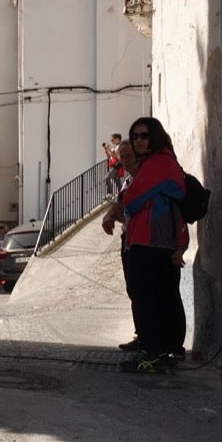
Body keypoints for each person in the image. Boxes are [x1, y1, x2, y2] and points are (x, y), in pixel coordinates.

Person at [115, 117, 188, 374]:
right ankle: (161, 349)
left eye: (144, 135)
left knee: (147, 296)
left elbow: (130, 200)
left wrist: (134, 198)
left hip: (152, 241)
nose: (139, 141)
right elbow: (130, 198)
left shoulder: (158, 163)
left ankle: (151, 354)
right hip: (150, 240)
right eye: (135, 136)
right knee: (156, 296)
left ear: (155, 136)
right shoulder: (156, 162)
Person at [102, 139, 141, 351]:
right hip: (129, 241)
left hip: (146, 244)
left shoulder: (146, 179)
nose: (125, 161)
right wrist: (109, 216)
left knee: (146, 292)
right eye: (123, 157)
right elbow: (120, 205)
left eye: (129, 156)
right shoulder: (128, 181)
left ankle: (154, 341)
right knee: (134, 290)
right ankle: (142, 334)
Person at [103, 132, 122, 197]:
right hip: (114, 165)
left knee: (107, 177)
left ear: (117, 139)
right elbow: (109, 157)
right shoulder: (115, 147)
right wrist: (106, 150)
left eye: (112, 139)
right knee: (118, 182)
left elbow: (114, 155)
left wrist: (108, 148)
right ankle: (122, 193)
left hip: (116, 166)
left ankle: (110, 194)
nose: (111, 141)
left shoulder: (119, 146)